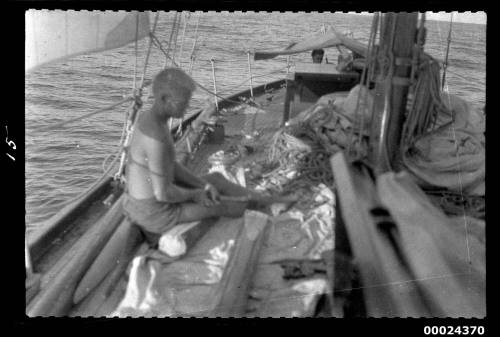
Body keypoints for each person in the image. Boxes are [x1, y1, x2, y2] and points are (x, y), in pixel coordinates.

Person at [123, 68, 286, 245]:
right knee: (222, 205)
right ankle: (268, 208)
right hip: (156, 213)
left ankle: (262, 199)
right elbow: (163, 193)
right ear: (164, 99)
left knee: (216, 179)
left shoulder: (154, 120)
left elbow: (172, 166)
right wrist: (196, 194)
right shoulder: (155, 138)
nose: (187, 107)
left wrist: (204, 185)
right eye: (183, 102)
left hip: (153, 200)